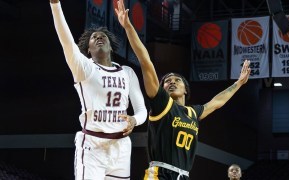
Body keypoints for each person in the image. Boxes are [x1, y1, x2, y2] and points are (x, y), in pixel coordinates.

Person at [115, 0, 251, 179]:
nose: (171, 82)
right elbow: (146, 62)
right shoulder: (162, 103)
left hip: (183, 175)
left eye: (176, 80)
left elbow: (217, 102)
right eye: (167, 81)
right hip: (160, 173)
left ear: (186, 90)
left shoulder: (193, 112)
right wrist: (128, 27)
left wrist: (239, 83)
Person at [49, 0, 147, 179]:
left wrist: (134, 120)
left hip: (121, 146)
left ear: (111, 46)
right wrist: (55, 5)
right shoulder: (84, 68)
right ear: (88, 48)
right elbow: (66, 42)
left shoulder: (127, 72)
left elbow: (142, 111)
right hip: (93, 145)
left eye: (103, 36)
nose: (99, 37)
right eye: (94, 37)